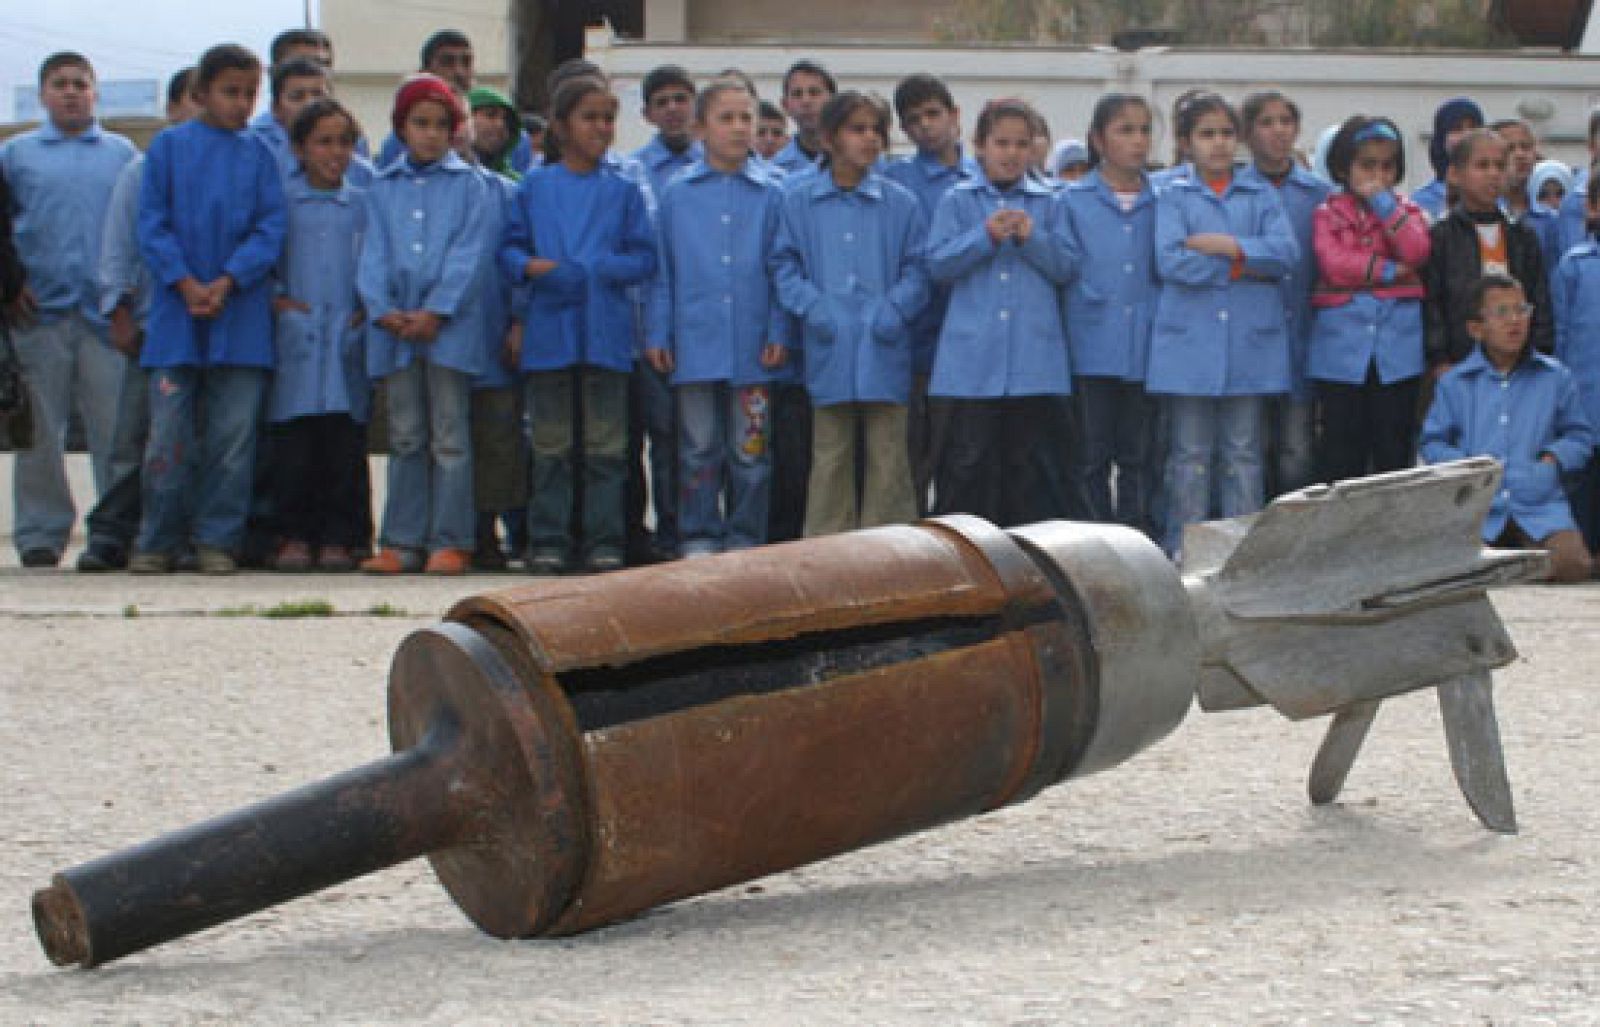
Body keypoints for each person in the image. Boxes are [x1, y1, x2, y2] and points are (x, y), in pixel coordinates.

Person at [131, 44, 286, 574]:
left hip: (239, 317)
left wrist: (228, 279)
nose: (241, 103)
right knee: (168, 436)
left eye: (249, 93)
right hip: (177, 317)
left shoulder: (262, 155)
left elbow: (270, 229)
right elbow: (152, 224)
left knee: (232, 439)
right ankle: (158, 539)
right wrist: (184, 281)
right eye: (230, 92)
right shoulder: (168, 149)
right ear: (201, 94)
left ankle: (218, 538)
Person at [502, 75, 657, 574]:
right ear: (562, 125)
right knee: (550, 444)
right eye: (590, 117)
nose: (602, 128)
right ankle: (549, 539)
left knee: (607, 448)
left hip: (607, 331)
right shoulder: (535, 187)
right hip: (550, 329)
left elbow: (645, 256)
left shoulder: (623, 190)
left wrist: (606, 268)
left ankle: (603, 541)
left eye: (608, 118)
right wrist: (532, 269)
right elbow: (508, 249)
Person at [1145, 93, 1297, 558]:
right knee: (1189, 455)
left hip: (1250, 346)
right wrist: (1245, 264)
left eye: (1226, 133)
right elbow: (1171, 261)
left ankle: (1240, 551)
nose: (1218, 144)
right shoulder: (1171, 194)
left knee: (1243, 453)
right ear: (1187, 142)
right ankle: (1185, 548)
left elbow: (1286, 255)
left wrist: (1227, 247)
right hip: (1189, 346)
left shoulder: (1262, 194)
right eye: (1207, 134)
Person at [771, 90, 929, 536]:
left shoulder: (901, 203)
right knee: (831, 452)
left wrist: (895, 311)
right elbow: (783, 265)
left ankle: (892, 547)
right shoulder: (798, 201)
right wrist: (814, 308)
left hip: (885, 343)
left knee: (888, 453)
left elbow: (919, 268)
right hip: (829, 342)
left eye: (877, 130)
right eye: (857, 129)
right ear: (829, 138)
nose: (870, 139)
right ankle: (828, 549)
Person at [0, 52, 137, 568]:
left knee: (113, 432)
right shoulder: (17, 156)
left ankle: (112, 531)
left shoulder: (121, 154)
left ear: (95, 92)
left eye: (81, 83)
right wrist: (12, 285)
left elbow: (129, 229)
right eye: (60, 84)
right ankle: (40, 533)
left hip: (103, 316)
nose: (71, 92)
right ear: (43, 94)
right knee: (39, 433)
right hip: (40, 314)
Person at [645, 80, 787, 557]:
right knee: (697, 449)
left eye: (745, 117)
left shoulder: (775, 193)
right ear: (701, 127)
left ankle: (746, 535)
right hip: (694, 342)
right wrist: (658, 330)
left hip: (754, 347)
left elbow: (782, 268)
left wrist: (778, 328)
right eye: (726, 118)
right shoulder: (677, 194)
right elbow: (661, 270)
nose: (738, 128)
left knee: (751, 453)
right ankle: (698, 533)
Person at [356, 74, 490, 576]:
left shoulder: (470, 185)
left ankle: (451, 540)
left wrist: (437, 310)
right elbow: (372, 254)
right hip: (394, 331)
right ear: (402, 128)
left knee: (450, 436)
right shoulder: (381, 187)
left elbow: (469, 255)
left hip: (447, 330)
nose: (430, 134)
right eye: (420, 124)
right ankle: (400, 540)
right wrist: (383, 307)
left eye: (440, 125)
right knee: (406, 434)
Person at [925, 97, 1072, 527]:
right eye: (1001, 143)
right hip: (973, 362)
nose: (1011, 154)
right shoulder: (958, 200)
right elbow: (938, 264)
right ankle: (965, 555)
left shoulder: (1050, 201)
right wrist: (984, 237)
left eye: (1021, 144)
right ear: (980, 146)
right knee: (968, 463)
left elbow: (1067, 267)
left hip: (1033, 361)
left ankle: (1026, 557)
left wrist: (1033, 239)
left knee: (1027, 467)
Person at [77, 67, 198, 573]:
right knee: (134, 440)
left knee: (185, 443)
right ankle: (111, 533)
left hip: (205, 326)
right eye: (193, 100)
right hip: (150, 326)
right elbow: (119, 247)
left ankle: (176, 534)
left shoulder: (232, 167)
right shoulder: (141, 170)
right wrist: (119, 309)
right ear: (173, 110)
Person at [1421, 274, 1594, 583]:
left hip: (1538, 504)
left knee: (1572, 563)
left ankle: (1511, 571)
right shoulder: (1455, 384)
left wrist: (1551, 462)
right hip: (1477, 510)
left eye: (1521, 310)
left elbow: (1580, 436)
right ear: (1476, 329)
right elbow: (1433, 443)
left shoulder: (1554, 377)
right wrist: (1465, 469)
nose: (1515, 321)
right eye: (1501, 313)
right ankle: (1507, 569)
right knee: (1452, 572)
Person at [262, 99, 371, 573]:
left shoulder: (363, 204)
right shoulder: (282, 203)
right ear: (300, 148)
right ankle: (292, 534)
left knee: (343, 445)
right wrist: (278, 302)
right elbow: (266, 261)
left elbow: (377, 261)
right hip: (299, 337)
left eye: (344, 142)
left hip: (346, 334)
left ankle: (341, 537)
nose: (336, 152)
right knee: (295, 446)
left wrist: (367, 309)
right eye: (324, 142)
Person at [1307, 115, 1431, 484]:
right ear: (1344, 167)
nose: (1377, 174)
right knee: (1342, 452)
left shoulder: (1405, 211)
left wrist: (1382, 202)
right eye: (1366, 165)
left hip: (1397, 355)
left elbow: (1417, 249)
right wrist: (1390, 271)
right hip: (1341, 357)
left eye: (1387, 165)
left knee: (1392, 451)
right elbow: (1334, 264)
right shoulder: (1327, 212)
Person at [1061, 93, 1159, 535]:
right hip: (1091, 345)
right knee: (1090, 453)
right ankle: (1096, 538)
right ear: (1099, 140)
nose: (1137, 141)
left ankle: (1137, 535)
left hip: (1149, 344)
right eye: (1125, 130)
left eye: (1144, 130)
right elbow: (1063, 265)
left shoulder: (1166, 199)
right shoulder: (1071, 201)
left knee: (1140, 453)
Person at [885, 72, 979, 514]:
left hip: (968, 337)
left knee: (962, 453)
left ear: (955, 116)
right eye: (914, 119)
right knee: (911, 452)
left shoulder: (983, 174)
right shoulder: (896, 180)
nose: (926, 125)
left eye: (933, 114)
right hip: (914, 335)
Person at [627, 65, 703, 563]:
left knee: (695, 442)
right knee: (651, 438)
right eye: (663, 101)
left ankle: (690, 530)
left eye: (682, 98)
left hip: (703, 329)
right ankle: (646, 534)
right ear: (649, 113)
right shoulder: (632, 170)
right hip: (647, 328)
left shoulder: (716, 164)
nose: (674, 108)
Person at [1240, 89, 1330, 497]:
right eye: (1266, 122)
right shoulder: (1238, 191)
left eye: (1285, 122)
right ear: (1248, 133)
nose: (1278, 132)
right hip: (1251, 337)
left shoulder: (1317, 194)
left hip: (1304, 334)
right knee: (1251, 444)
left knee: (1297, 447)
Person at [1424, 129, 1553, 375]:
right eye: (1482, 166)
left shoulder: (1522, 236)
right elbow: (1432, 303)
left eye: (1500, 166)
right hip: (1458, 363)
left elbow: (1539, 300)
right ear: (1454, 174)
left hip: (1518, 365)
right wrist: (1438, 359)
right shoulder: (1441, 236)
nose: (1493, 174)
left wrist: (1539, 353)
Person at [376, 30, 534, 173]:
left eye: (466, 62)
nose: (459, 72)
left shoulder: (514, 138)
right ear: (425, 72)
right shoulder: (400, 141)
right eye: (447, 62)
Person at [1550, 174, 1600, 550]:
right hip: (1585, 399)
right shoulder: (1574, 266)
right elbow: (1560, 336)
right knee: (1583, 480)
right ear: (1592, 208)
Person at [249, 58, 332, 182]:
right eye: (297, 97)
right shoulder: (257, 152)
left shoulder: (352, 152)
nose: (310, 104)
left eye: (318, 95)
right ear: (276, 109)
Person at [1412, 97, 1484, 221]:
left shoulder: (1498, 192)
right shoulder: (1420, 202)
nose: (1467, 135)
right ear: (1442, 139)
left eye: (1473, 128)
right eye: (1457, 129)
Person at [772, 60, 835, 176]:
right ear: (785, 106)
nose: (806, 101)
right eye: (797, 94)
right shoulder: (775, 170)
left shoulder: (857, 159)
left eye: (814, 93)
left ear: (833, 101)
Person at [1524, 159, 1572, 276]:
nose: (1553, 202)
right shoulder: (1525, 228)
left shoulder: (1583, 226)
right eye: (1543, 195)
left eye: (1560, 194)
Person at [1493, 117, 1539, 223]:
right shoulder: (1482, 213)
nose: (1520, 155)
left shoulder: (1549, 216)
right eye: (1510, 149)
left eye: (1525, 147)